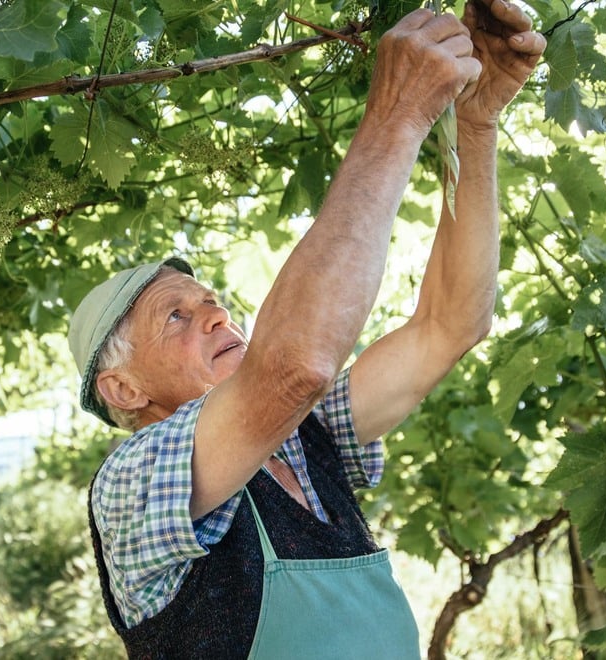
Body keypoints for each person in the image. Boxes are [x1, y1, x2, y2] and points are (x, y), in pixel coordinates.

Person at [67, 1, 546, 657]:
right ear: (122, 389)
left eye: (210, 302)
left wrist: (476, 122)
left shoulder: (307, 440)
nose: (215, 314)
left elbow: (450, 325)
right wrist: (397, 115)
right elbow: (294, 367)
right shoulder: (134, 481)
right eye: (175, 316)